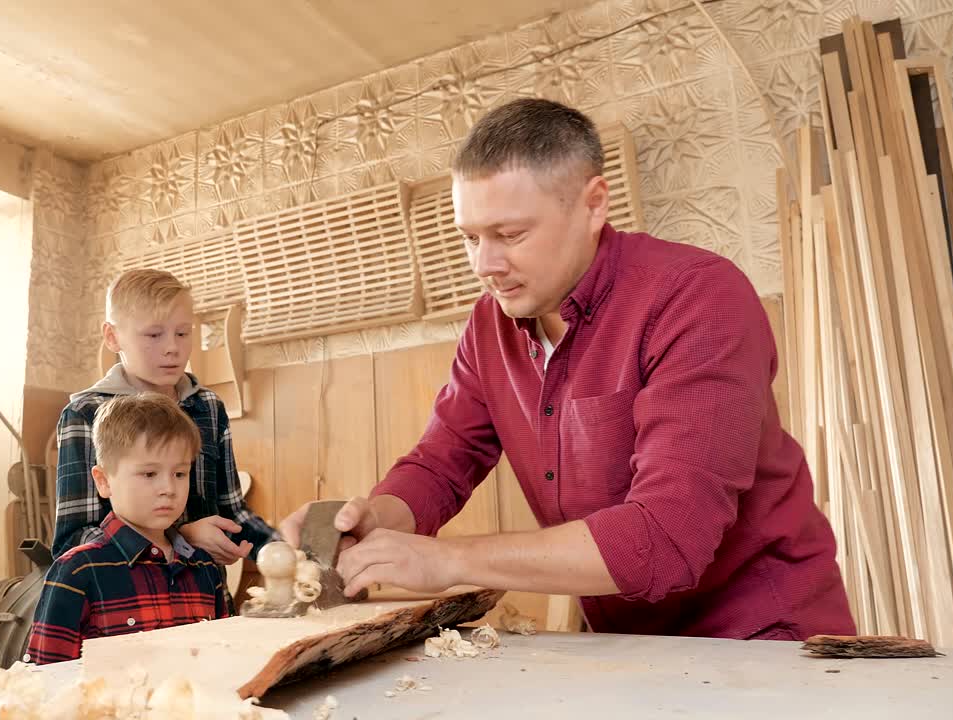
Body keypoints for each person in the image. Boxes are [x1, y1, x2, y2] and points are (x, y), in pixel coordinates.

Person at [281, 98, 855, 641]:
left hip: (763, 635)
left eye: (510, 235)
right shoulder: (490, 325)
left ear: (594, 204)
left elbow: (666, 537)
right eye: (470, 238)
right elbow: (443, 462)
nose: (485, 264)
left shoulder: (697, 297)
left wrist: (449, 559)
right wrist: (378, 518)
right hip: (628, 643)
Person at [52, 268, 279, 568]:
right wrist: (180, 538)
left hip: (206, 589)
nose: (172, 348)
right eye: (154, 334)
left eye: (182, 333)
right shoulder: (84, 413)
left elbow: (233, 512)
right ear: (112, 337)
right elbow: (74, 541)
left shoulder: (208, 407)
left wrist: (287, 551)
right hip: (128, 593)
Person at [27, 394, 228, 663]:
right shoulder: (77, 571)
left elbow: (220, 663)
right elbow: (45, 678)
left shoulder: (204, 567)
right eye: (149, 474)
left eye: (180, 474)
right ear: (103, 481)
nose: (169, 489)